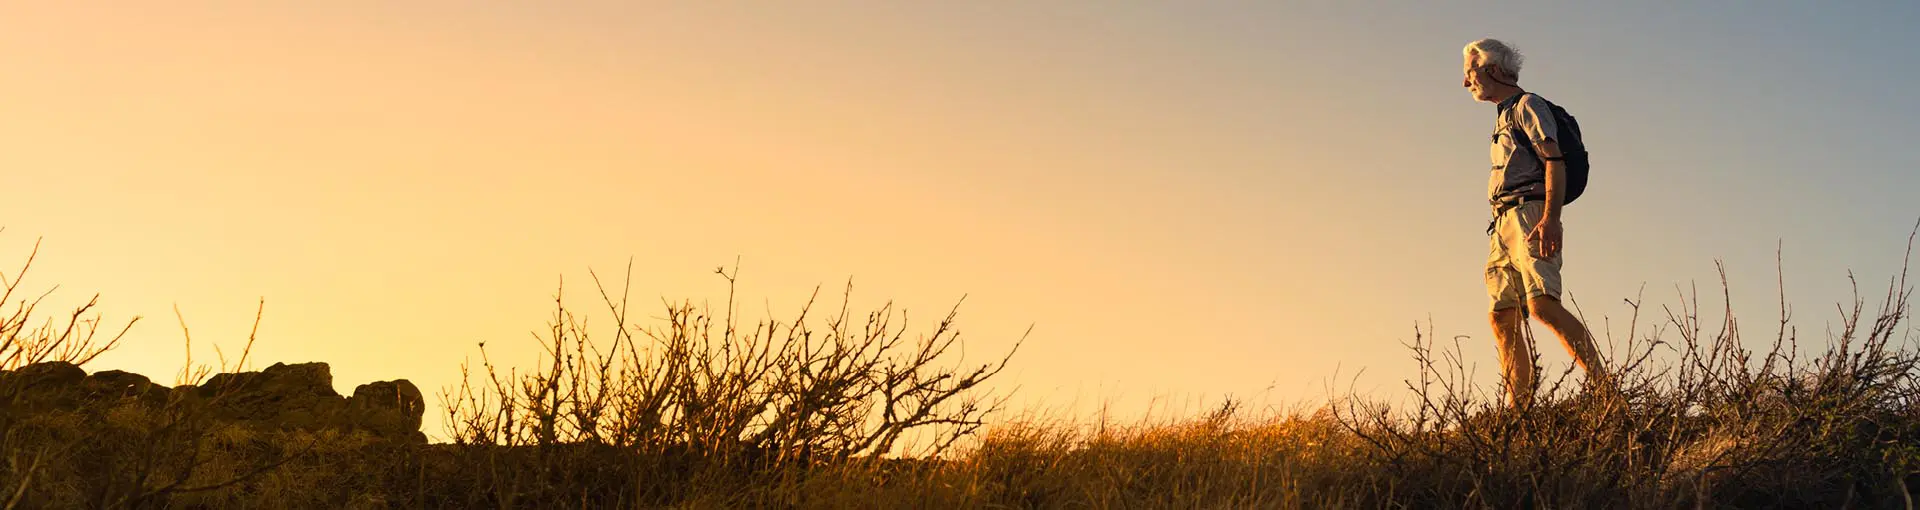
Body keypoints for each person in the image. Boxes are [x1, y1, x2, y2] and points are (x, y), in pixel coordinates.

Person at [1461, 38, 1611, 406]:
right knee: (1503, 317)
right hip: (1501, 222)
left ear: (1493, 70)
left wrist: (1550, 218)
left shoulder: (1528, 105)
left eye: (1470, 72)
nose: (1467, 83)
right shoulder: (1503, 117)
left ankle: (1608, 394)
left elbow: (1553, 160)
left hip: (1531, 213)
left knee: (1542, 304)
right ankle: (1519, 409)